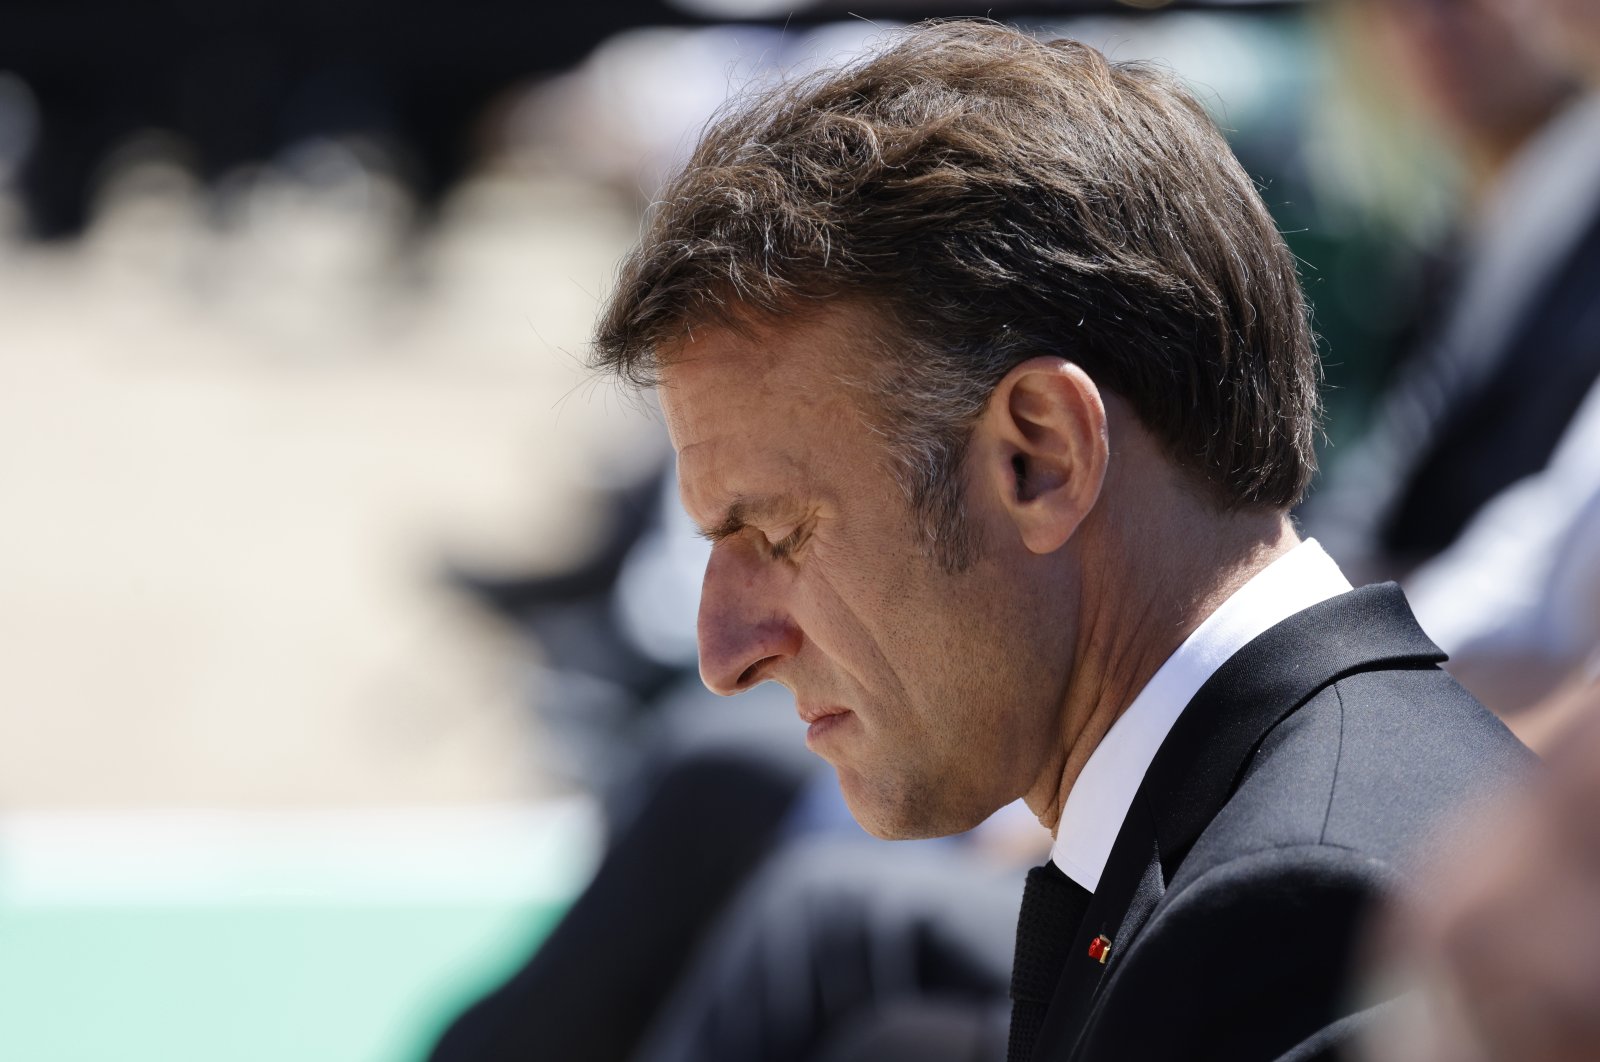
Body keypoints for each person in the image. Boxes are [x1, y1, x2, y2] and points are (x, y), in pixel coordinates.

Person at [590, 21, 1531, 1062]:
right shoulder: (1253, 841)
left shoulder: (1289, 919)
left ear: (1041, 456)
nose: (724, 653)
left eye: (777, 533)